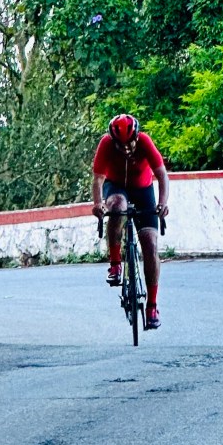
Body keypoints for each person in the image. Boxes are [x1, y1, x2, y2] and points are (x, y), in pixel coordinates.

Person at [92, 114, 170, 330]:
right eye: (120, 145)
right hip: (116, 186)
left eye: (130, 144)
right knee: (117, 206)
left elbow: (162, 175)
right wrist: (98, 204)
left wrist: (162, 203)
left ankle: (152, 306)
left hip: (143, 189)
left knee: (150, 245)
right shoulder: (106, 144)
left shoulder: (145, 141)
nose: (126, 149)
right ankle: (116, 263)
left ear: (137, 136)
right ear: (113, 141)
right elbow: (98, 179)